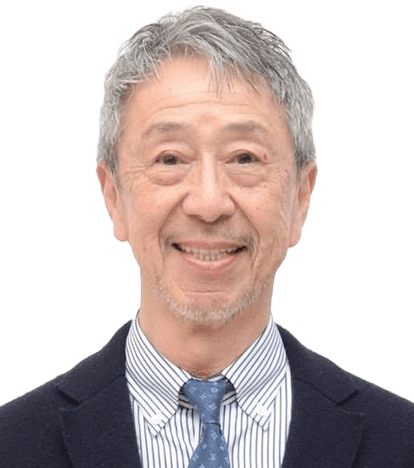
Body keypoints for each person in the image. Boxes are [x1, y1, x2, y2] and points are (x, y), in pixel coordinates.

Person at [1, 5, 413, 468]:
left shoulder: (403, 442)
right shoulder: (11, 445)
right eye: (170, 159)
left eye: (244, 158)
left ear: (301, 196)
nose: (209, 203)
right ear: (113, 195)